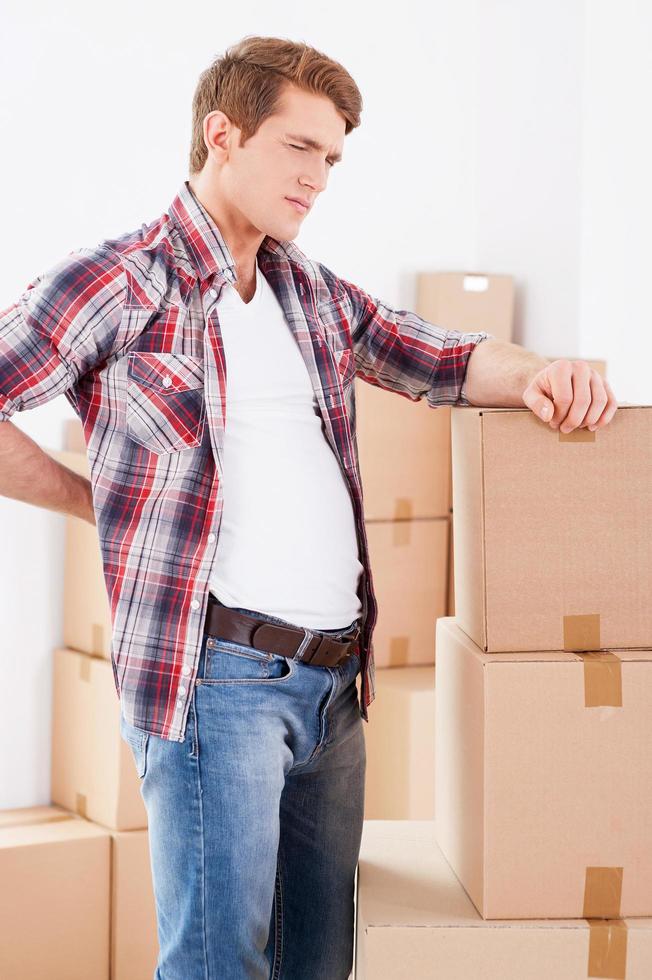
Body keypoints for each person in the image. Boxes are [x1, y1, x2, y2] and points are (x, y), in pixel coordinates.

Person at [0, 35, 617, 980]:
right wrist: (96, 501)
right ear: (224, 134)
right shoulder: (122, 281)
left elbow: (438, 357)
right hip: (218, 686)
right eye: (301, 149)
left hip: (335, 689)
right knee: (218, 968)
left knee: (317, 966)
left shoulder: (309, 292)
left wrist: (550, 374)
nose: (320, 178)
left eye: (332, 158)